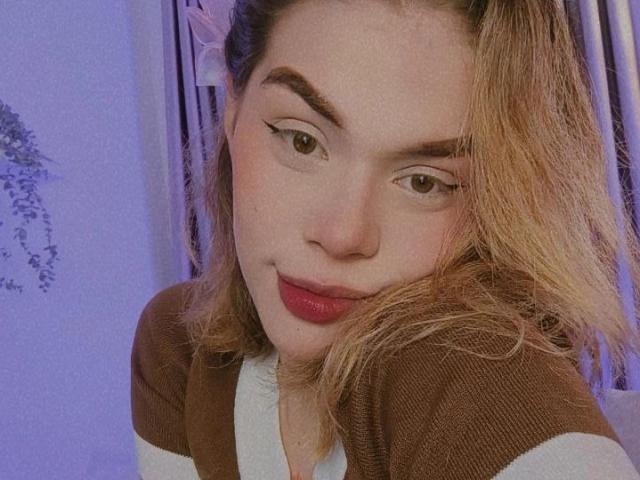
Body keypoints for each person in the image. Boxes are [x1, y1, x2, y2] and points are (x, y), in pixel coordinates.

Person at [130, 0, 640, 478]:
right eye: (302, 141)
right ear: (233, 110)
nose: (341, 235)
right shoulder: (180, 350)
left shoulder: (478, 374)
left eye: (423, 182)